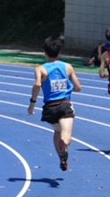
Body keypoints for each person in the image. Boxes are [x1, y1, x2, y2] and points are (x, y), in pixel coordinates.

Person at [28, 36, 82, 171]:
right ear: (59, 52)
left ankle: (62, 159)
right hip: (64, 106)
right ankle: (64, 145)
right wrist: (72, 87)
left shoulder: (40, 68)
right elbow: (78, 87)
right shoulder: (67, 67)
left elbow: (37, 85)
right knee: (66, 136)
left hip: (50, 108)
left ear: (45, 52)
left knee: (57, 132)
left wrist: (32, 104)